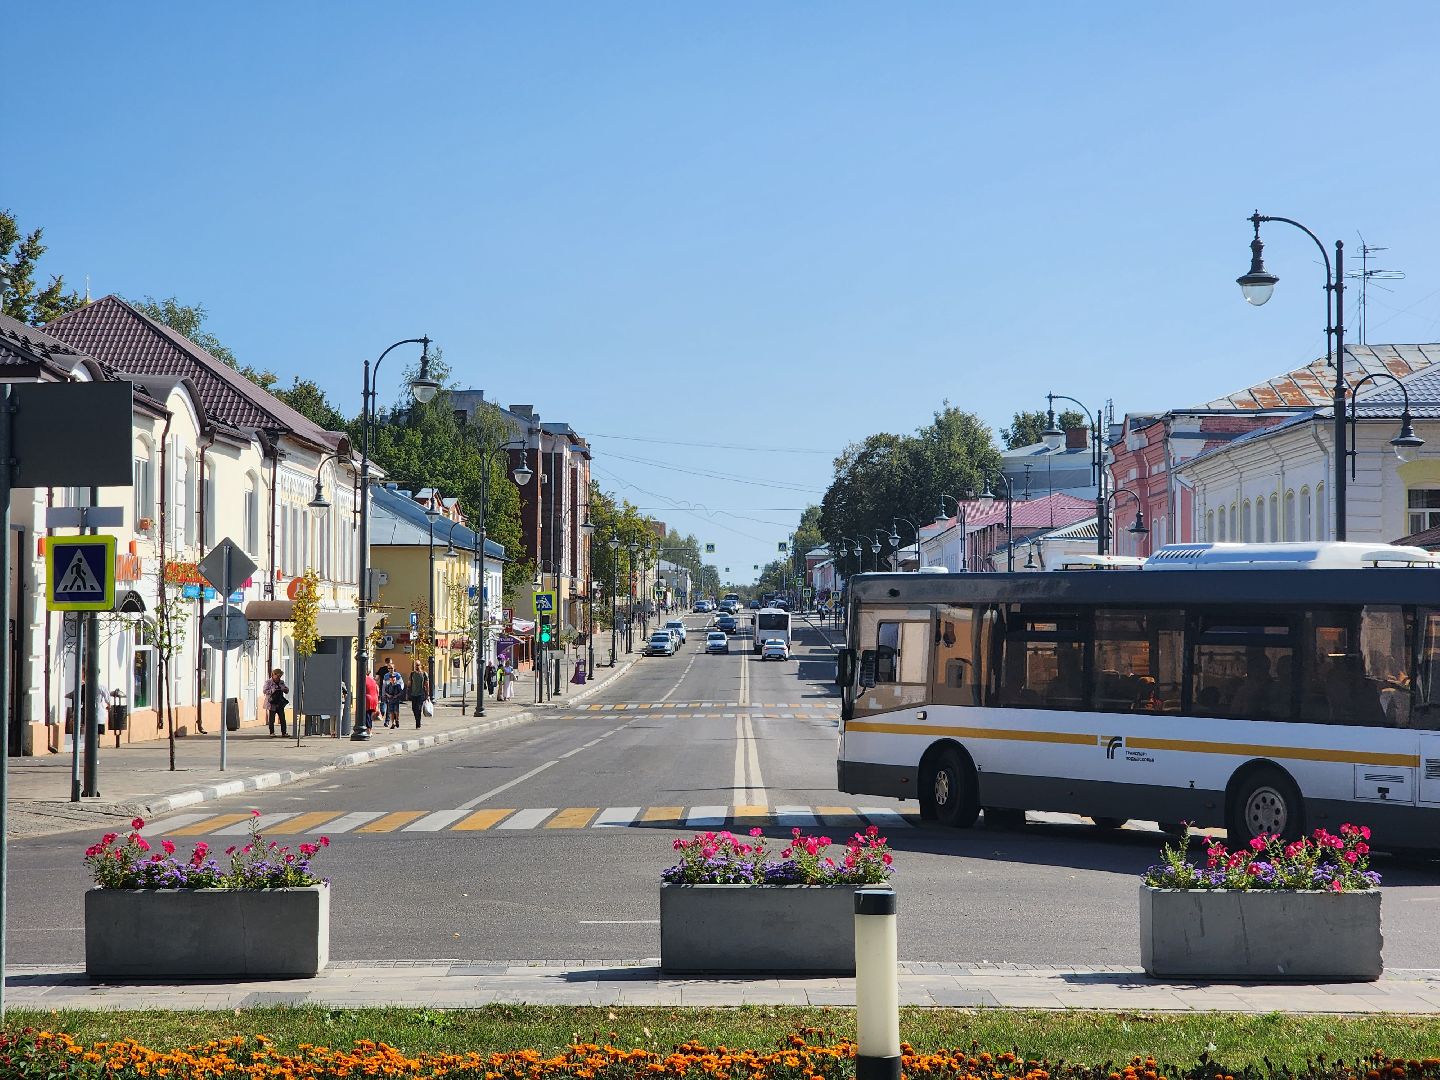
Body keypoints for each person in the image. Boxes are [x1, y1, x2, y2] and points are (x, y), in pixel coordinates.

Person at [263, 669, 288, 736]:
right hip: (272, 703)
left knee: (282, 718)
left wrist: (285, 689)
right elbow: (265, 691)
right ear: (273, 675)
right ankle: (272, 732)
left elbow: (286, 690)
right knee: (272, 719)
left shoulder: (281, 682)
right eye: (277, 676)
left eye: (280, 676)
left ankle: (284, 733)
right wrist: (272, 690)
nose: (278, 678)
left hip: (280, 702)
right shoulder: (268, 682)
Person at [407, 660, 430, 728]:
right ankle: (417, 720)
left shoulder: (424, 674)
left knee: (419, 708)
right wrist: (407, 693)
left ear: (420, 665)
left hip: (421, 694)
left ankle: (418, 723)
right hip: (413, 694)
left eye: (417, 665)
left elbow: (427, 684)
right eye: (415, 665)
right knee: (414, 709)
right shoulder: (412, 674)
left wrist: (427, 694)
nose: (416, 666)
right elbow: (409, 683)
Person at [363, 667, 380, 736]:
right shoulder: (373, 680)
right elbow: (377, 690)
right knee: (370, 715)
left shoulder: (363, 679)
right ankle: (370, 730)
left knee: (366, 715)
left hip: (367, 698)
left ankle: (368, 730)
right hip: (374, 698)